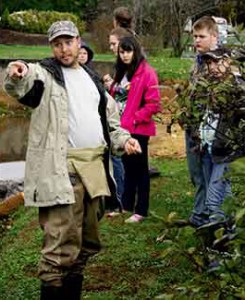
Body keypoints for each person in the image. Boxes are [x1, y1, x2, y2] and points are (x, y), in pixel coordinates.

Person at [4, 20, 141, 299]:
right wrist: (17, 73)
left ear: (79, 42)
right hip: (62, 171)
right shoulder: (45, 74)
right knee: (59, 248)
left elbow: (110, 122)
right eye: (57, 43)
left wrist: (124, 140)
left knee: (86, 243)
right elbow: (22, 83)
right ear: (51, 47)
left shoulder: (92, 79)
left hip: (95, 171)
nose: (63, 49)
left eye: (68, 42)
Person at [178, 16, 240, 229]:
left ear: (214, 36)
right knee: (199, 176)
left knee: (219, 190)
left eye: (201, 36)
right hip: (200, 133)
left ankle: (218, 230)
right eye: (194, 36)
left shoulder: (225, 67)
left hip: (220, 139)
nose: (196, 40)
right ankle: (201, 217)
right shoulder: (199, 62)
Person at [110, 36, 161, 223]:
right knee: (127, 169)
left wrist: (134, 118)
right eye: (122, 52)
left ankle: (141, 210)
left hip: (139, 129)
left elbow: (154, 104)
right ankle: (126, 206)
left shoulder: (147, 72)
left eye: (128, 51)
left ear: (136, 51)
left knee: (140, 170)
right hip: (122, 129)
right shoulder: (121, 71)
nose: (125, 55)